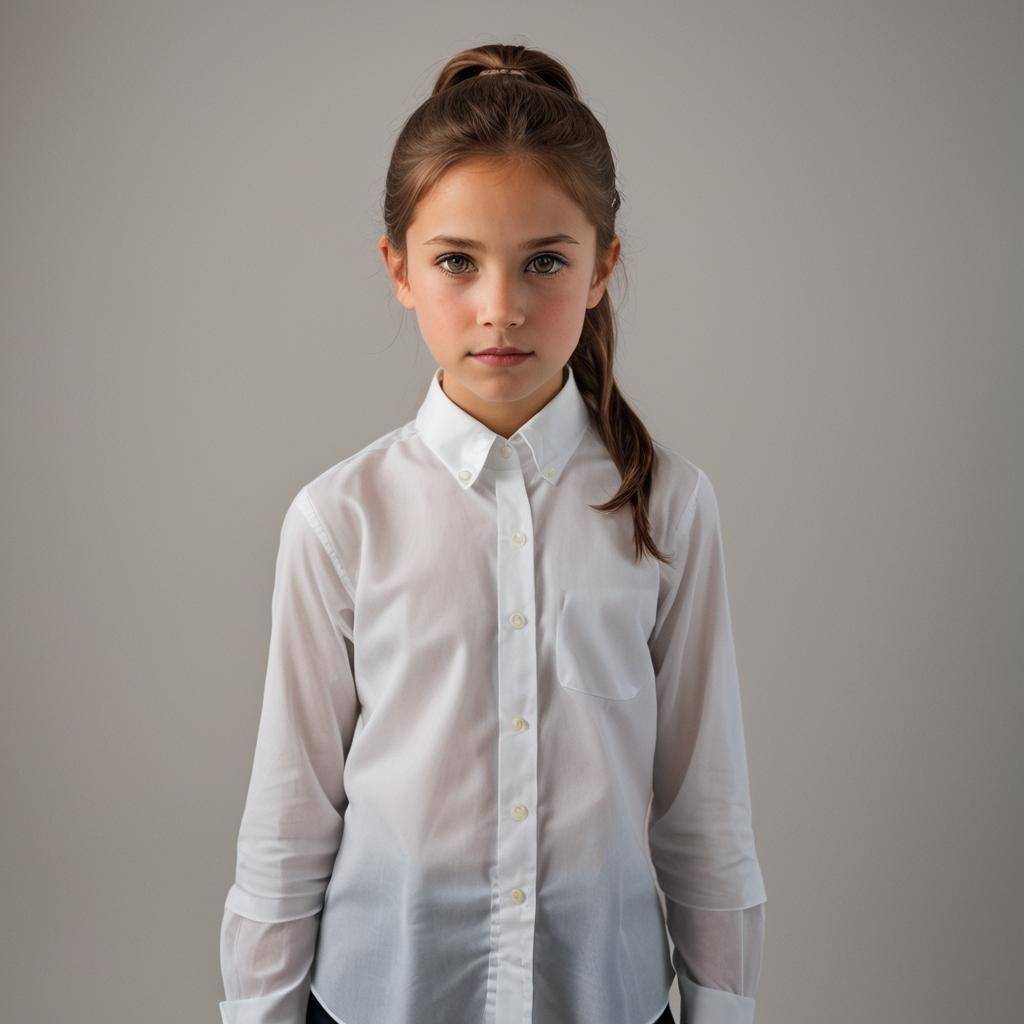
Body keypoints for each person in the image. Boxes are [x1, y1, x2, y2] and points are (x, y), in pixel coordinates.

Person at [218, 42, 767, 1024]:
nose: (501, 308)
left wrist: (721, 1006)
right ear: (398, 268)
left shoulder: (668, 508)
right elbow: (289, 816)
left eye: (544, 261)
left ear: (602, 266)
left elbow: (703, 806)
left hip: (601, 999)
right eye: (456, 262)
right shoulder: (339, 520)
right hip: (382, 996)